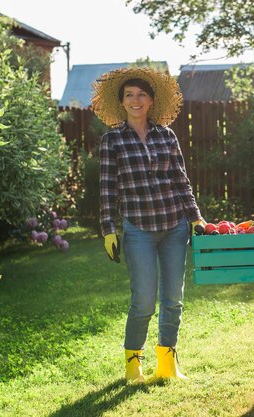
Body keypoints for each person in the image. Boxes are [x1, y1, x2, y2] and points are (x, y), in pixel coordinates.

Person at [92, 67, 205, 383]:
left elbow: (180, 180)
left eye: (141, 94)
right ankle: (133, 366)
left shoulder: (165, 135)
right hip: (138, 229)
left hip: (174, 226)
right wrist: (108, 229)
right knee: (143, 299)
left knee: (173, 300)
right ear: (122, 101)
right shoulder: (112, 139)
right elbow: (107, 188)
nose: (135, 100)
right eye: (129, 95)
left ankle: (167, 363)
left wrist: (195, 217)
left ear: (152, 100)